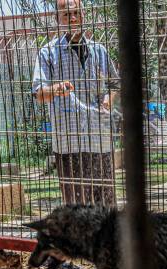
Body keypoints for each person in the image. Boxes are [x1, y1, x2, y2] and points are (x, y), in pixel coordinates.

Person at [32, 0, 119, 205]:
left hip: (100, 138)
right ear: (58, 20)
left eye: (76, 13)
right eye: (66, 14)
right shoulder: (48, 53)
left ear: (83, 16)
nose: (72, 18)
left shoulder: (99, 50)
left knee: (106, 203)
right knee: (76, 205)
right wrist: (56, 89)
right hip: (68, 142)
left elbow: (115, 84)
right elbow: (38, 93)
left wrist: (108, 100)